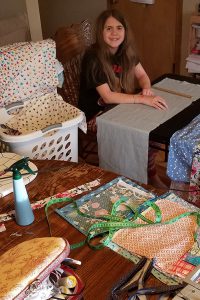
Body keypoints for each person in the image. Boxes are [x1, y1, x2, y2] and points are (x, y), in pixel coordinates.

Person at [78, 9, 168, 188]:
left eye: (119, 28)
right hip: (95, 114)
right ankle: (129, 177)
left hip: (117, 105)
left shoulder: (125, 51)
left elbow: (142, 76)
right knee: (141, 129)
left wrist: (146, 89)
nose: (114, 33)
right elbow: (107, 96)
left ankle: (150, 173)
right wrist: (141, 99)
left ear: (125, 31)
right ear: (100, 32)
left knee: (155, 123)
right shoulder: (93, 57)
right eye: (108, 28)